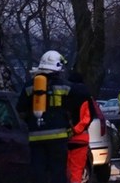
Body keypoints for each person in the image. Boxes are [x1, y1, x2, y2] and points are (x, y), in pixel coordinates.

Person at [17, 50, 81, 183]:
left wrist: (31, 121)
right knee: (58, 173)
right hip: (59, 139)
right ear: (57, 66)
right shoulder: (66, 86)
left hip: (36, 138)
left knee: (38, 173)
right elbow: (76, 109)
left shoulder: (29, 86)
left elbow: (20, 110)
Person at [67, 72, 97, 183]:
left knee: (62, 170)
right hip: (80, 139)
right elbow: (88, 117)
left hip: (62, 139)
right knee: (77, 170)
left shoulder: (63, 93)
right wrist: (76, 130)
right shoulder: (86, 94)